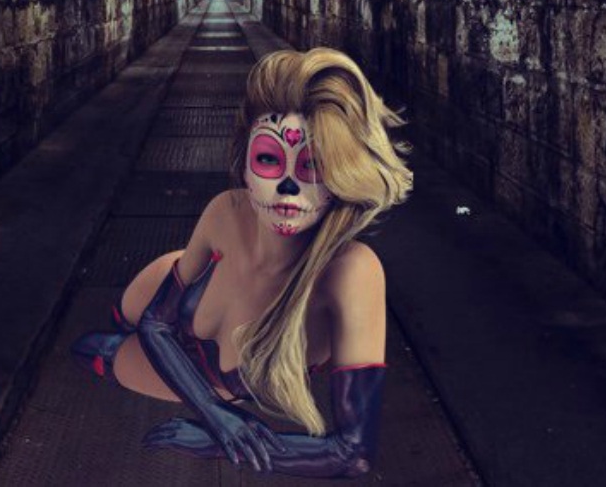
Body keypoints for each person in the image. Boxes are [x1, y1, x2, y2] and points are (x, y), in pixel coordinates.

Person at [70, 46, 414, 477]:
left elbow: (353, 454)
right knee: (124, 319)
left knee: (93, 350)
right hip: (171, 298)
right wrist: (216, 417)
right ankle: (135, 314)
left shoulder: (352, 271)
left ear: (343, 177)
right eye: (269, 159)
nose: (288, 187)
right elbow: (155, 324)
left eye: (313, 166)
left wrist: (217, 439)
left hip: (208, 366)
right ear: (245, 165)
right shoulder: (226, 210)